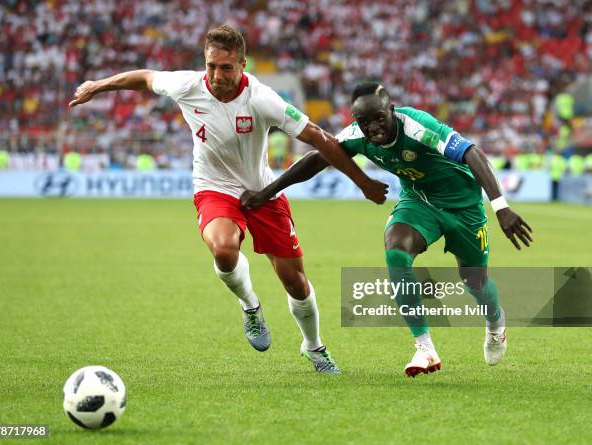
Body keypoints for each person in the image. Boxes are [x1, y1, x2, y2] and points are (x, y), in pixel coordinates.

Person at [69, 26, 388, 374]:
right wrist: (96, 86)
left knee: (295, 282)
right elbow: (145, 77)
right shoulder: (187, 86)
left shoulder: (262, 98)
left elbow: (320, 138)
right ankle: (250, 306)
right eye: (211, 66)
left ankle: (314, 347)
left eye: (226, 68)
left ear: (242, 65)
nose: (216, 75)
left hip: (263, 191)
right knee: (223, 248)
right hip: (214, 187)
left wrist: (362, 181)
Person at [242, 83, 534, 377]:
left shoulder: (418, 126)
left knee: (475, 282)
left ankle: (496, 325)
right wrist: (267, 193)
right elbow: (318, 159)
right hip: (419, 202)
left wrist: (501, 207)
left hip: (465, 207)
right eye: (364, 121)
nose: (373, 127)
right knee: (396, 252)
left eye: (379, 117)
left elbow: (472, 153)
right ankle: (425, 348)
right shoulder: (357, 135)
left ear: (391, 110)